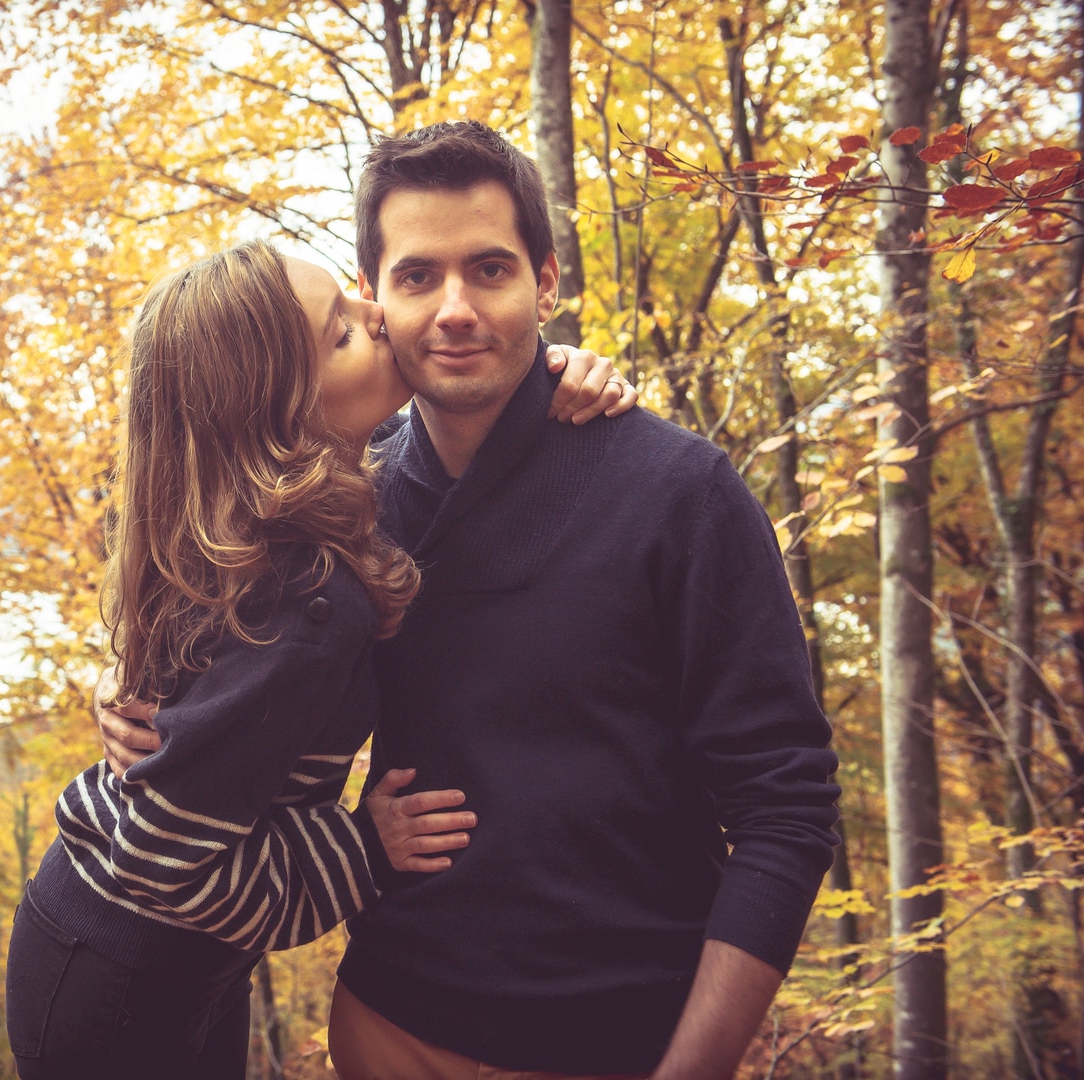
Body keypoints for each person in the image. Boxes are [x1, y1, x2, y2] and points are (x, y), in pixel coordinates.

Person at [98, 122, 842, 1080]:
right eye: (418, 277)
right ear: (374, 298)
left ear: (547, 282)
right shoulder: (342, 510)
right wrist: (128, 698)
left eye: (490, 270)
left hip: (624, 1045)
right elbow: (207, 614)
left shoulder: (678, 492)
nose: (454, 309)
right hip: (386, 1027)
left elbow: (787, 805)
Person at [6, 239, 636, 1079]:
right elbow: (159, 861)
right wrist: (363, 850)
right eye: (341, 333)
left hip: (168, 953)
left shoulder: (257, 521)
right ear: (281, 413)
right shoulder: (303, 600)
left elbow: (465, 418)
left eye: (354, 302)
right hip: (114, 981)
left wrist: (554, 371)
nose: (380, 315)